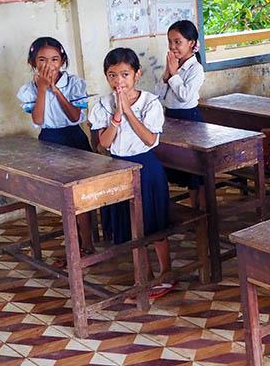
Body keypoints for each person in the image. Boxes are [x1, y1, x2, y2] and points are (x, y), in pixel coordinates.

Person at [88, 48, 175, 300]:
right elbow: (103, 144)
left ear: (136, 74)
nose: (119, 81)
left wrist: (128, 111)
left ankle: (166, 272)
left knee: (154, 223)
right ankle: (144, 277)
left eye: (125, 74)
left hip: (147, 169)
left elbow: (150, 139)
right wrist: (117, 115)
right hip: (117, 168)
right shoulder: (103, 105)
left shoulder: (150, 103)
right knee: (132, 226)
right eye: (112, 75)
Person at [17, 36, 94, 254]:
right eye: (41, 60)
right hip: (50, 142)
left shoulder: (74, 84)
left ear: (62, 61)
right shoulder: (29, 89)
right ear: (33, 62)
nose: (48, 65)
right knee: (62, 198)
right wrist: (42, 89)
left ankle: (87, 244)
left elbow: (74, 115)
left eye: (54, 59)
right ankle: (74, 245)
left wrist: (56, 90)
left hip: (73, 139)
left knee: (79, 195)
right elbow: (38, 120)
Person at [156, 20, 206, 208]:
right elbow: (158, 95)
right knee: (175, 163)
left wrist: (174, 73)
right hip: (171, 117)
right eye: (170, 42)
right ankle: (183, 206)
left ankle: (199, 208)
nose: (173, 46)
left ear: (191, 43)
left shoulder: (196, 69)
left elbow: (185, 96)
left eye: (178, 42)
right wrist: (167, 76)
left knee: (194, 169)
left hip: (189, 120)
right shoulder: (173, 65)